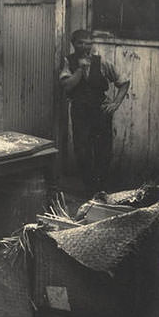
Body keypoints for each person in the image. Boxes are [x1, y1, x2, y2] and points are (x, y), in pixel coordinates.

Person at [59, 29, 130, 194]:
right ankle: (89, 189)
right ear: (73, 44)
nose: (85, 46)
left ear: (92, 44)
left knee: (103, 151)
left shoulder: (102, 61)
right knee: (82, 151)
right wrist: (79, 70)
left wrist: (116, 103)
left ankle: (100, 190)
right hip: (80, 111)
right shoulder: (68, 61)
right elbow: (67, 86)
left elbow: (123, 82)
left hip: (100, 111)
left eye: (88, 43)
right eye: (80, 43)